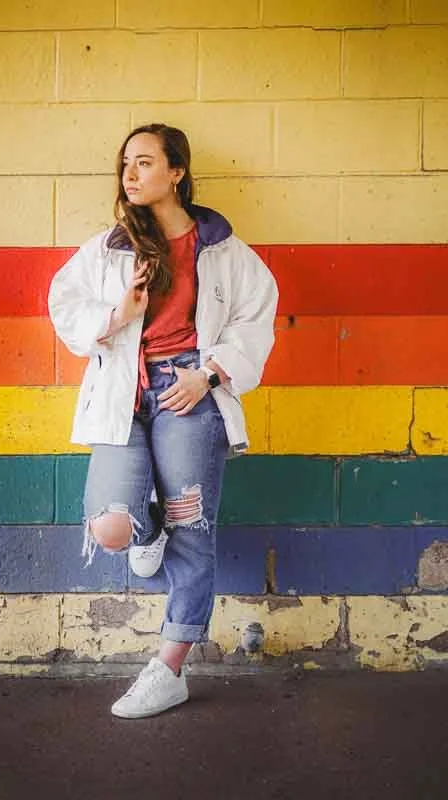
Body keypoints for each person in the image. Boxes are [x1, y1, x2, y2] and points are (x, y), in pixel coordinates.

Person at [47, 123, 278, 718]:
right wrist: (116, 314)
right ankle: (148, 530)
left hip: (189, 394)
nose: (130, 173)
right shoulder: (110, 247)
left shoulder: (222, 248)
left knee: (193, 529)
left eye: (145, 162)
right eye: (126, 162)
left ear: (177, 172)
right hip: (123, 394)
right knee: (111, 529)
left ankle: (169, 669)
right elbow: (63, 305)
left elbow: (256, 319)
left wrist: (210, 374)